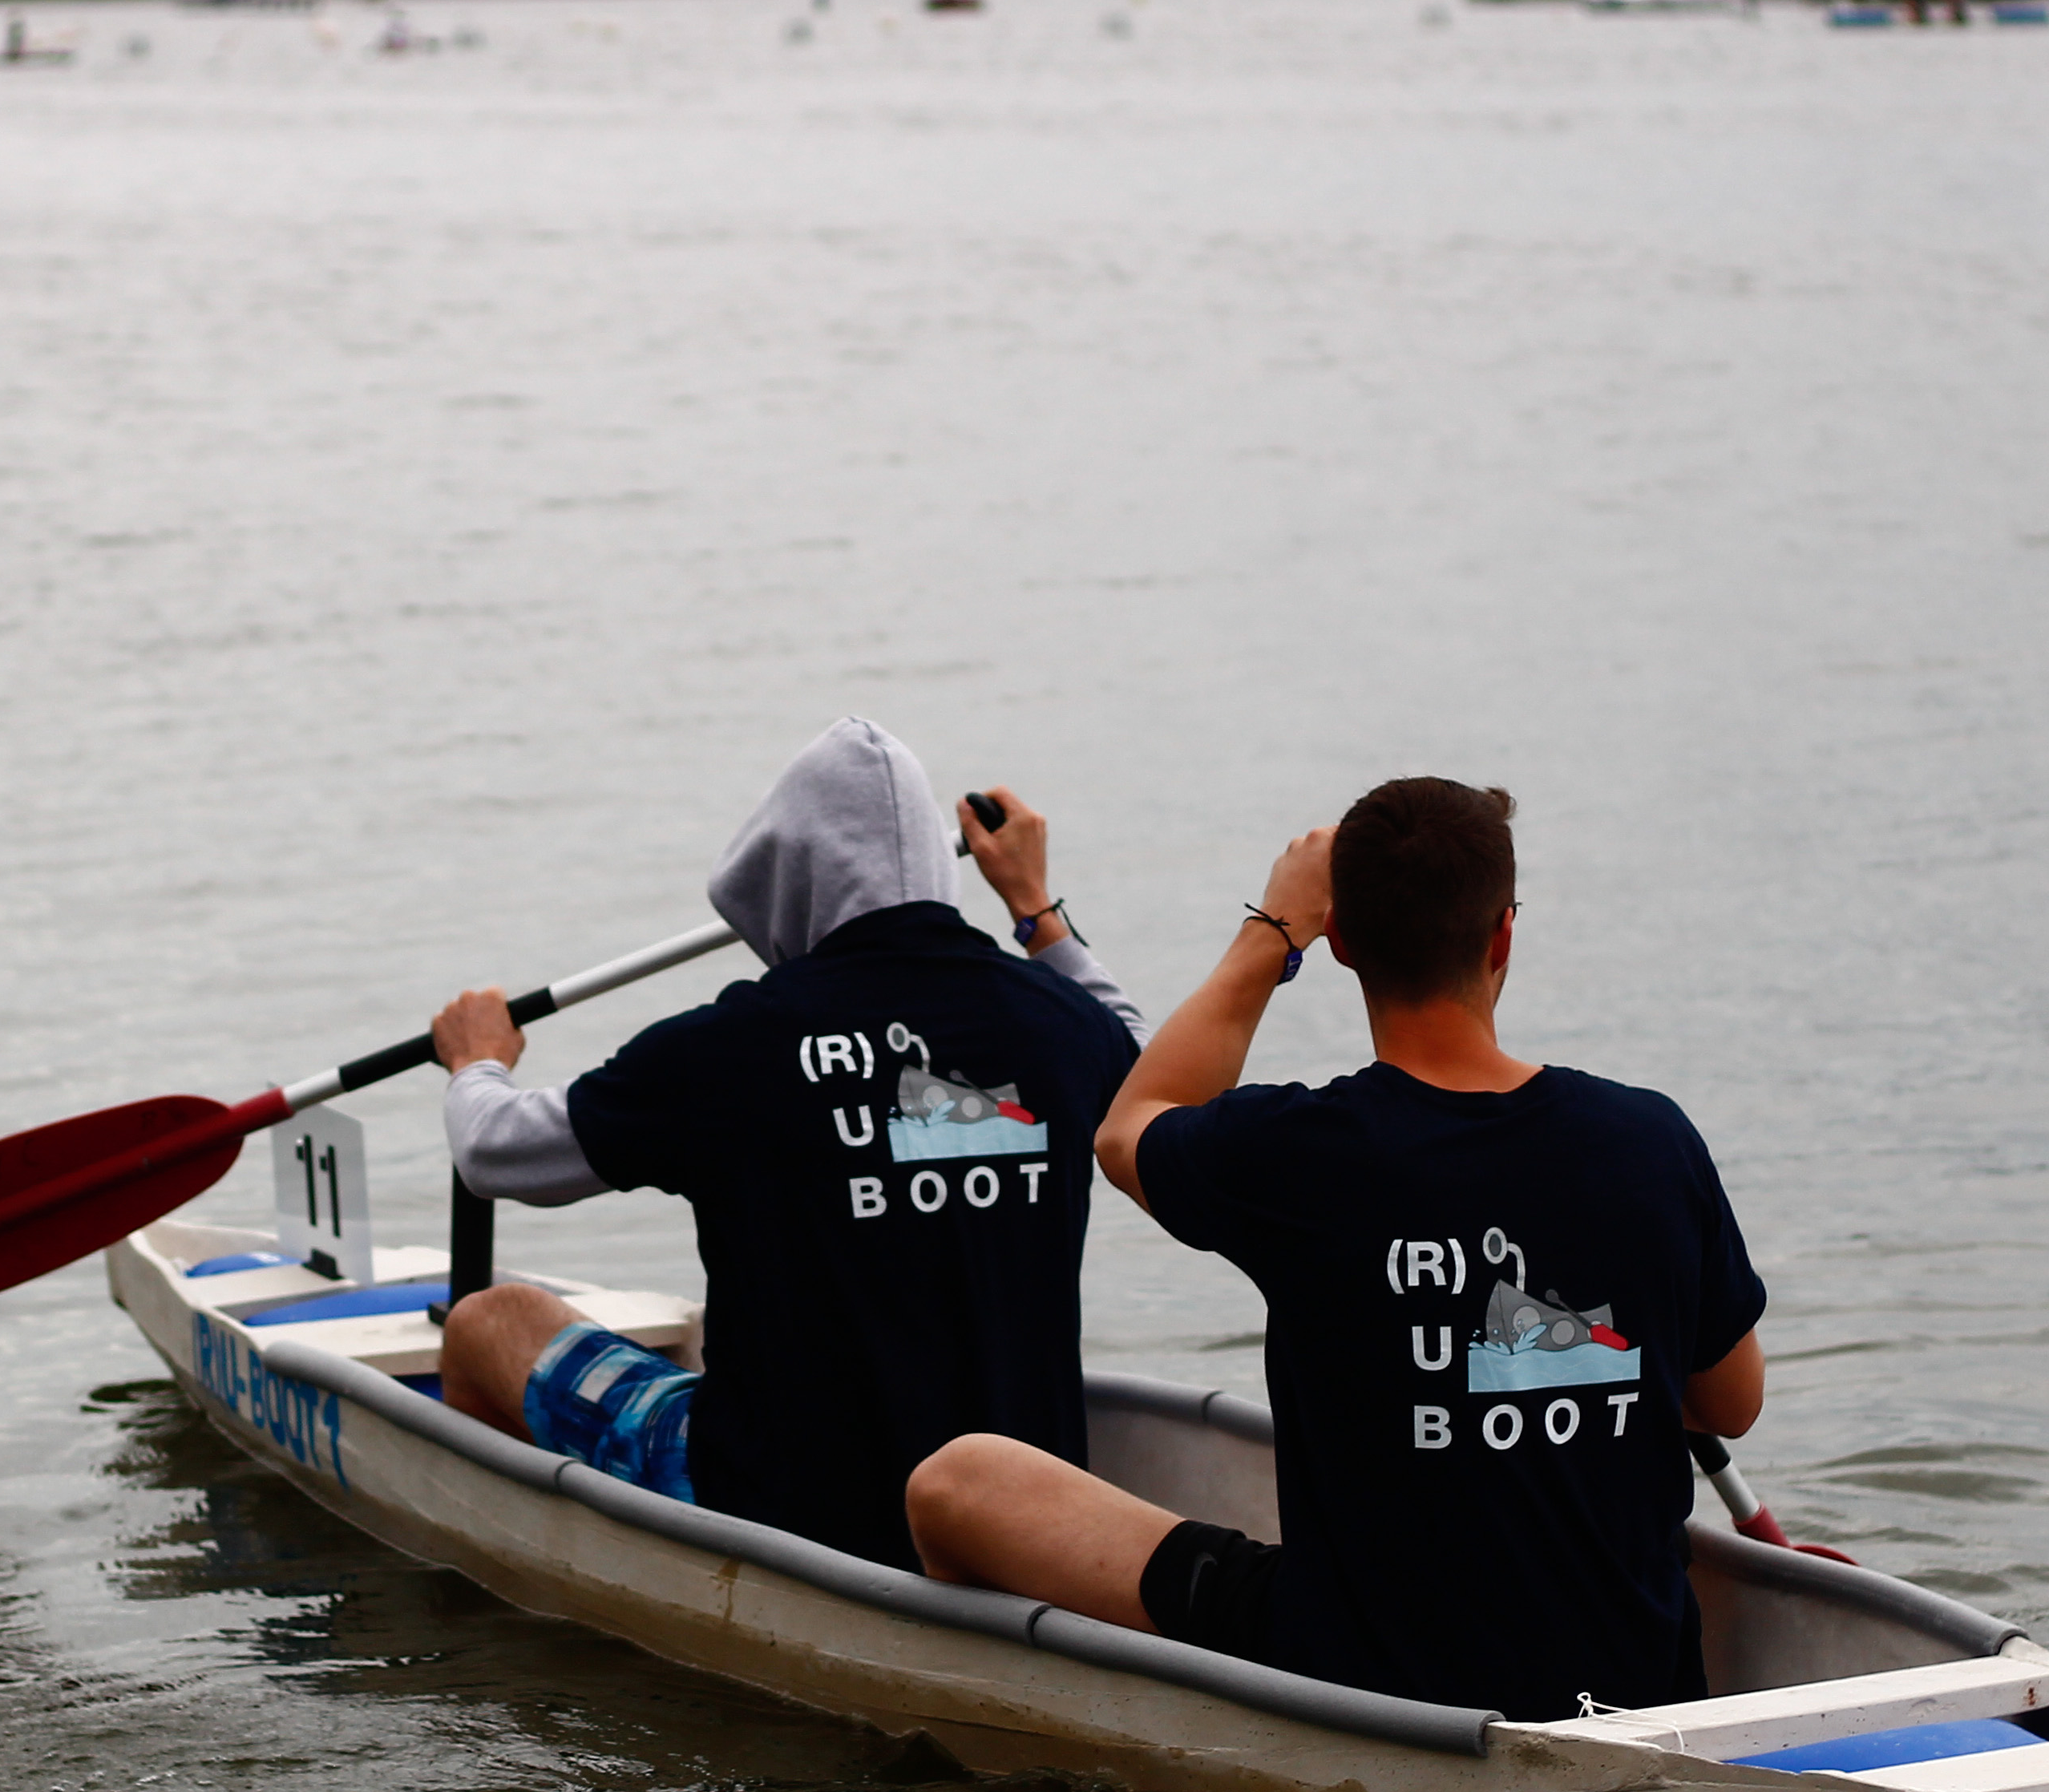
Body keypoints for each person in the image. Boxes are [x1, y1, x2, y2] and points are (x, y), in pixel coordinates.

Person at [905, 777, 1767, 1720]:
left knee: (960, 1481)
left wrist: (1273, 930)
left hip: (1360, 1676)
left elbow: (1128, 1130)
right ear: (1503, 936)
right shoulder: (1650, 1140)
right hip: (1638, 1682)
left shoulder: (1297, 1151)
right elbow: (1730, 1400)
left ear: (1344, 942)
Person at [428, 718, 1146, 1570]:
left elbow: (493, 1152)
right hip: (1019, 1512)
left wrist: (476, 1063)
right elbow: (1145, 1056)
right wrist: (1035, 909)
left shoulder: (730, 1048)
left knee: (489, 1322)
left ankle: (510, 1584)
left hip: (775, 1506)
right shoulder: (1066, 1029)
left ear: (785, 877)